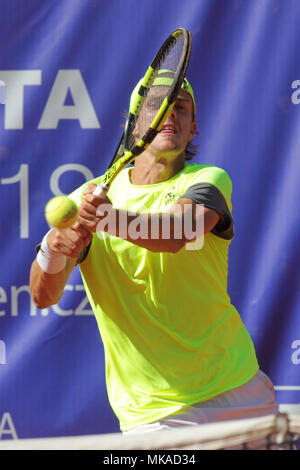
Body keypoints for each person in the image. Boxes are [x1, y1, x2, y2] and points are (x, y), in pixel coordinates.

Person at [30, 75, 278, 435]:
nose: (170, 113)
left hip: (238, 391)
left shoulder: (207, 180)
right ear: (133, 125)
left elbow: (177, 232)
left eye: (181, 107)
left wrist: (105, 218)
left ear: (193, 129)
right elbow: (42, 294)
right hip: (153, 415)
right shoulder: (85, 197)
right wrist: (54, 249)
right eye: (156, 104)